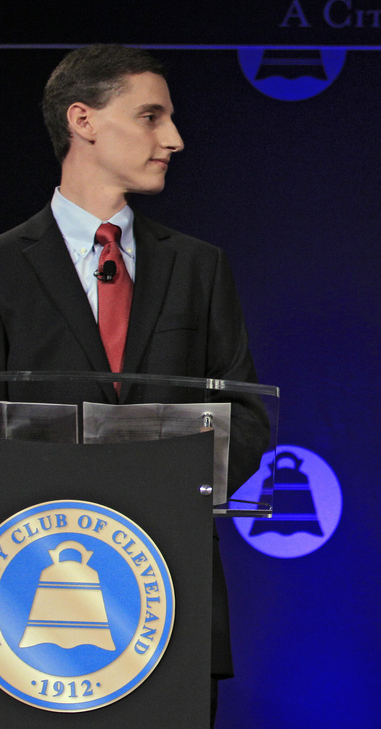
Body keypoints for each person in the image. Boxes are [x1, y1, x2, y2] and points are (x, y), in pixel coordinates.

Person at [0, 44, 264, 726]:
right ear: (83, 120)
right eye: (151, 117)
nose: (173, 139)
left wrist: (160, 492)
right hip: (23, 607)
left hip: (166, 597)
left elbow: (245, 416)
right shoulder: (3, 266)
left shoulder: (200, 267)